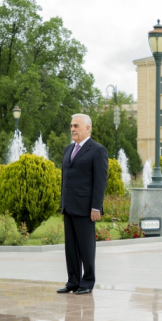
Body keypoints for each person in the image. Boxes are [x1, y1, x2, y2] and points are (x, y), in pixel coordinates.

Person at [57, 114, 108, 294]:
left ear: (87, 128)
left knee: (86, 247)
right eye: (71, 125)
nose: (72, 129)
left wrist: (96, 207)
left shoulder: (97, 150)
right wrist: (62, 203)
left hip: (86, 208)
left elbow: (100, 181)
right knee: (70, 248)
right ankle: (73, 281)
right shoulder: (67, 150)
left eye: (76, 126)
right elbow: (65, 178)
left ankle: (87, 282)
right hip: (69, 206)